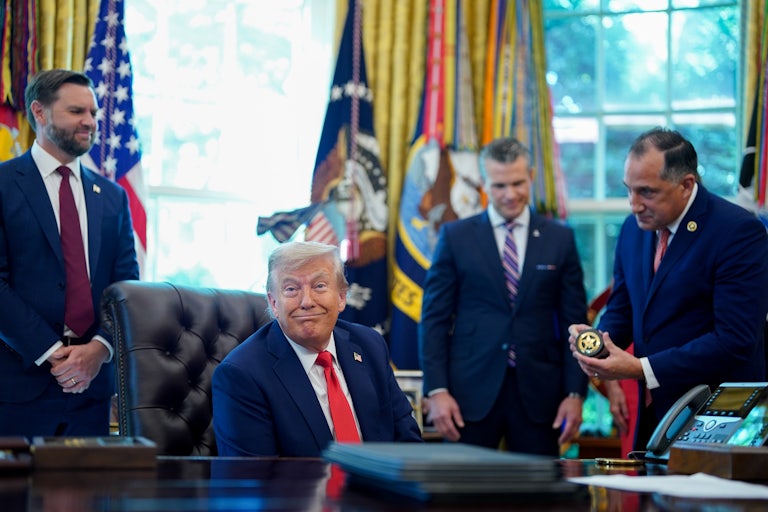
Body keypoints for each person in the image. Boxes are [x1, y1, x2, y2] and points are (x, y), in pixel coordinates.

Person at [568, 127, 768, 451]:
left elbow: (735, 340)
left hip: (716, 418)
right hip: (654, 417)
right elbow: (623, 310)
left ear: (686, 185)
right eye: (629, 190)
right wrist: (597, 345)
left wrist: (642, 368)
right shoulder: (633, 229)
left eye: (646, 192)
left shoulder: (738, 232)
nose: (634, 205)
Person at [419, 136, 589, 457]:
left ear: (531, 177)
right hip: (468, 394)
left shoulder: (560, 238)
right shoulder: (455, 237)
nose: (510, 194)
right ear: (484, 183)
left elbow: (575, 322)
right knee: (459, 486)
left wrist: (575, 394)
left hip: (541, 395)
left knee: (539, 487)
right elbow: (434, 319)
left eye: (517, 183)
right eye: (499, 186)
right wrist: (437, 390)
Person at [0, 69, 140, 436]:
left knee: (90, 478)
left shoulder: (113, 197)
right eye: (77, 111)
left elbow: (126, 286)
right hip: (18, 385)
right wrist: (52, 352)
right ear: (40, 112)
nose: (90, 122)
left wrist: (100, 348)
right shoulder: (3, 184)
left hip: (91, 390)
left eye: (93, 113)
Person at [212, 241, 422, 457]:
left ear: (341, 297)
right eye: (291, 289)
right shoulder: (242, 374)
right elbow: (254, 474)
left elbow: (408, 441)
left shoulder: (369, 345)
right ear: (274, 303)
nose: (307, 301)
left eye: (319, 286)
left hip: (381, 479)